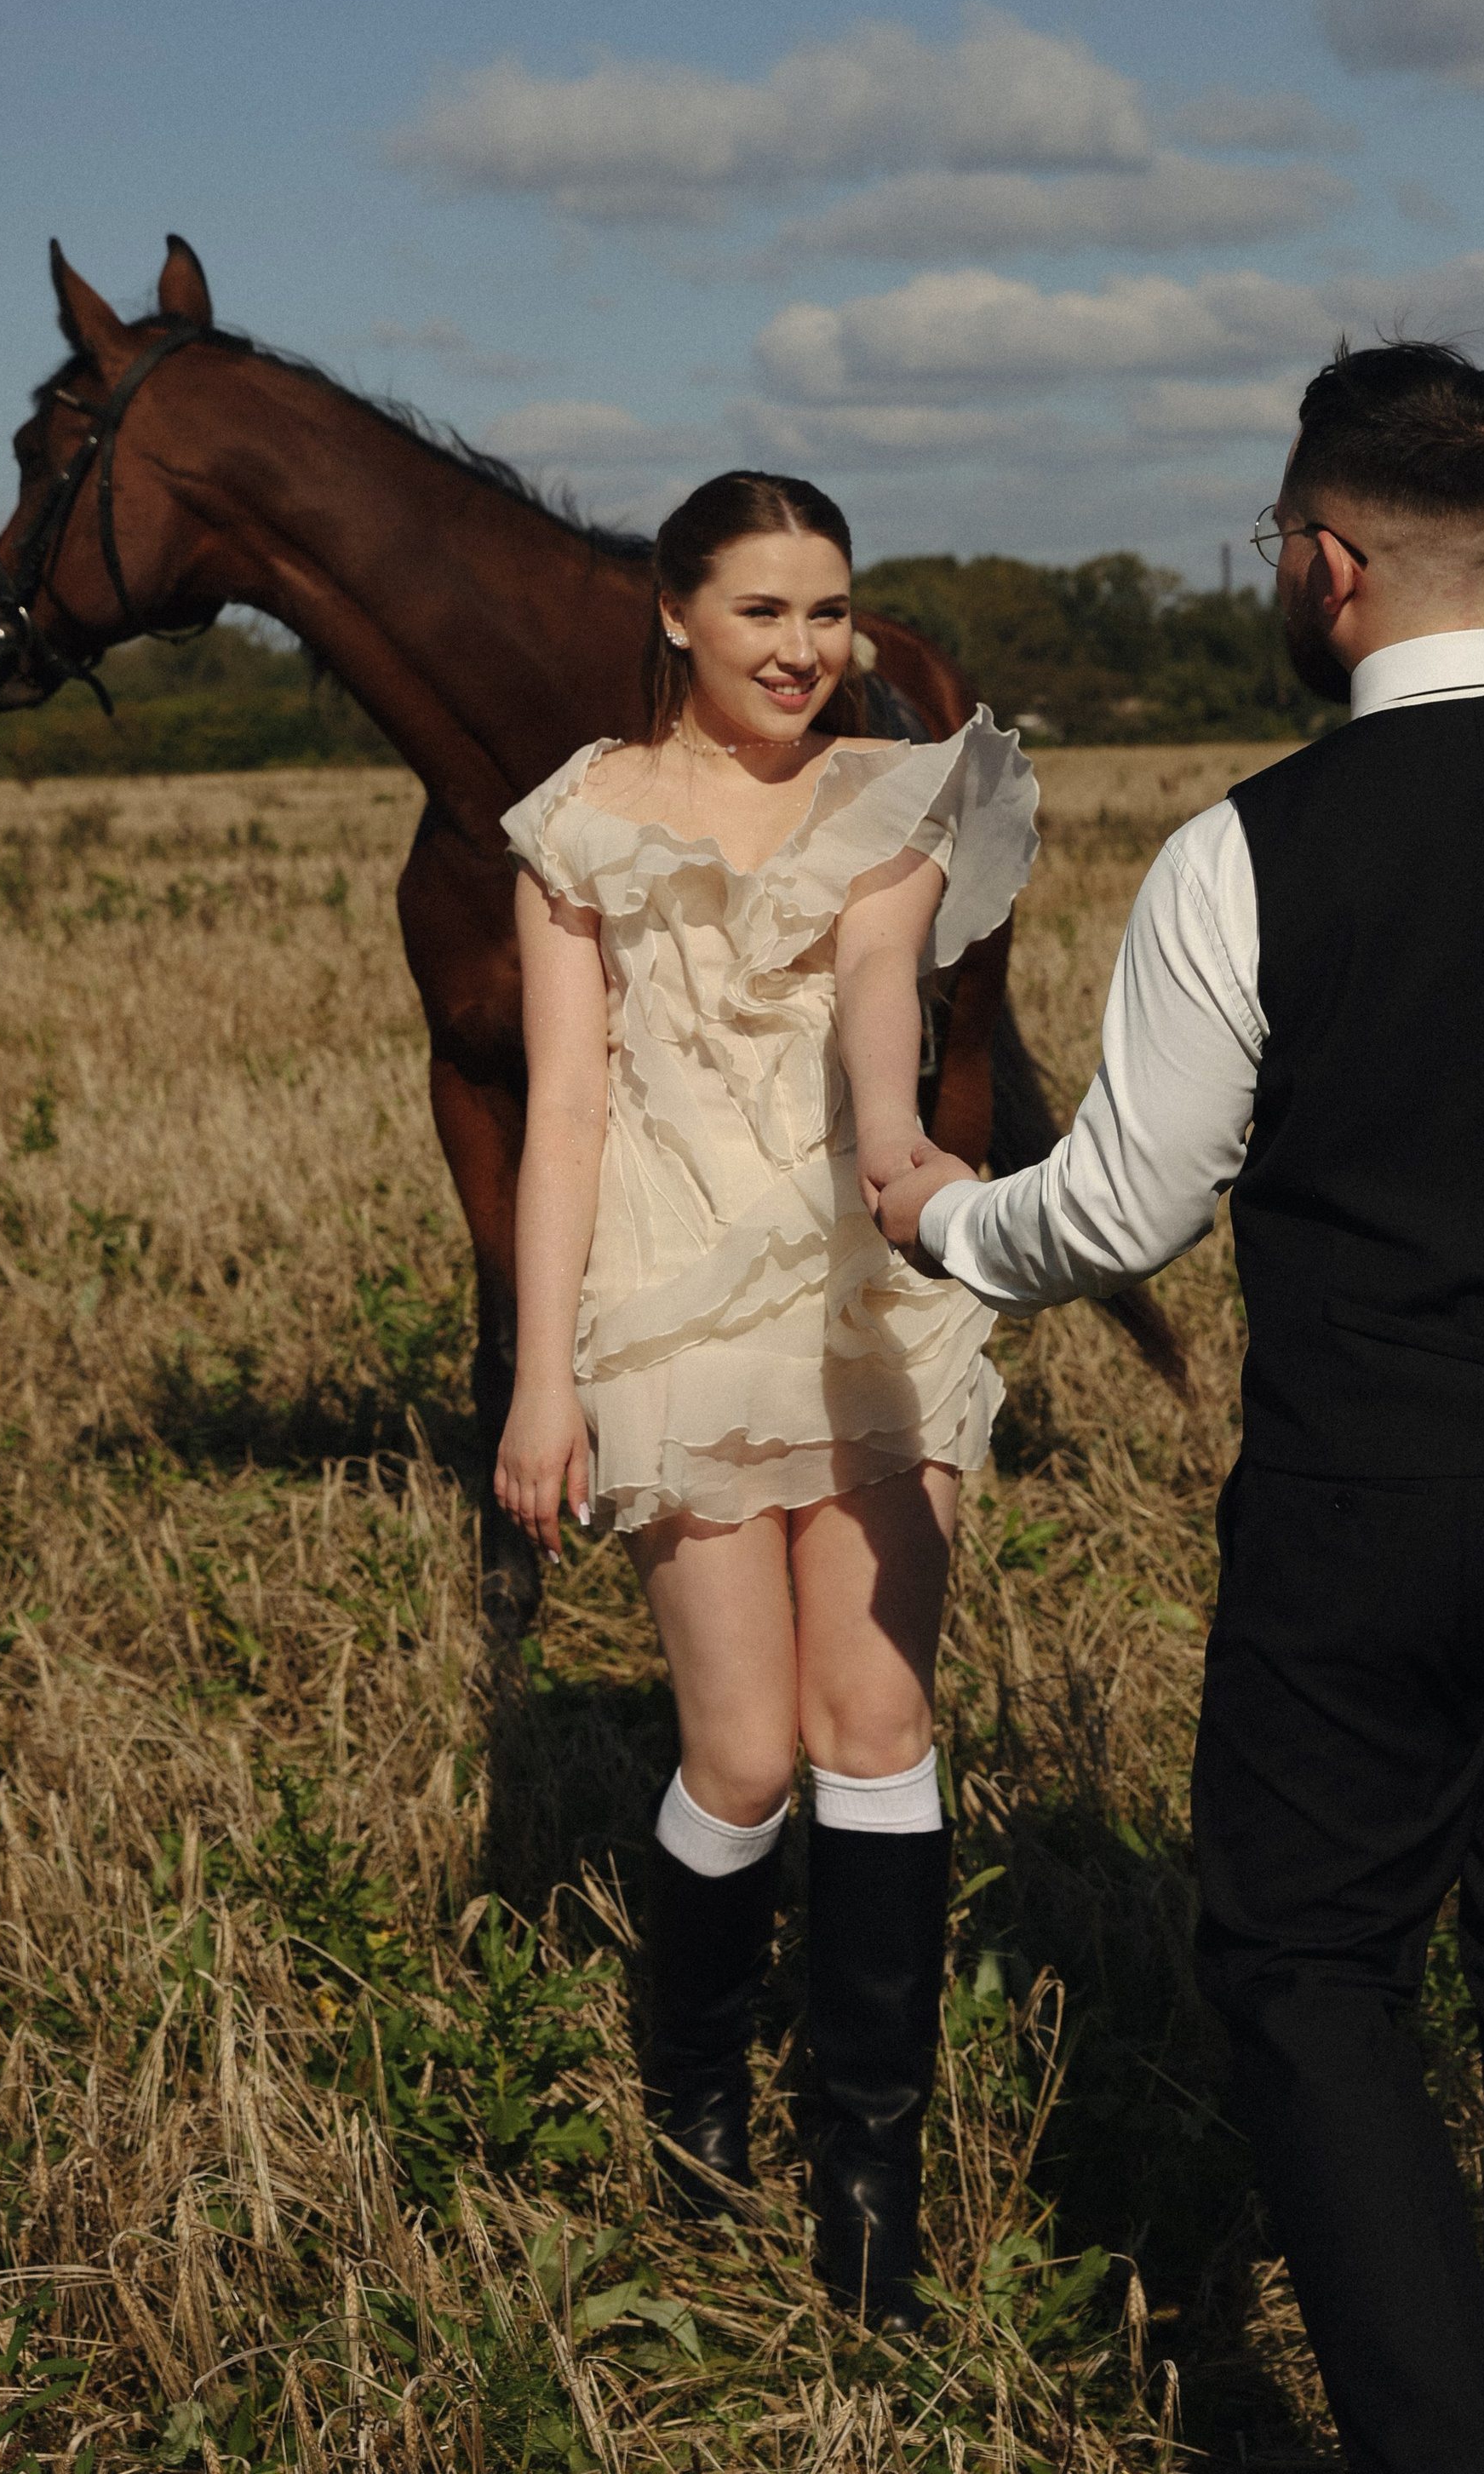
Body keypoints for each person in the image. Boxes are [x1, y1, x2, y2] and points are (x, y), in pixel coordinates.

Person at [875, 341, 1484, 2474]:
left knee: (1304, 1966)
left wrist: (940, 1220)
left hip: (1369, 1499)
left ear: (1322, 560)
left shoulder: (1239, 854)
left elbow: (1123, 1212)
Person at [494, 468, 1039, 2328]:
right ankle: (694, 2103)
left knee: (871, 1722)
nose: (804, 647)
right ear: (675, 612)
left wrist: (893, 1144)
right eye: (762, 610)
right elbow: (566, 1112)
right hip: (666, 1297)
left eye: (829, 609)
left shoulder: (892, 794)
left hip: (852, 1281)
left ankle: (870, 2181)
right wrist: (543, 1382)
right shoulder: (576, 823)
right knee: (739, 1752)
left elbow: (883, 981)